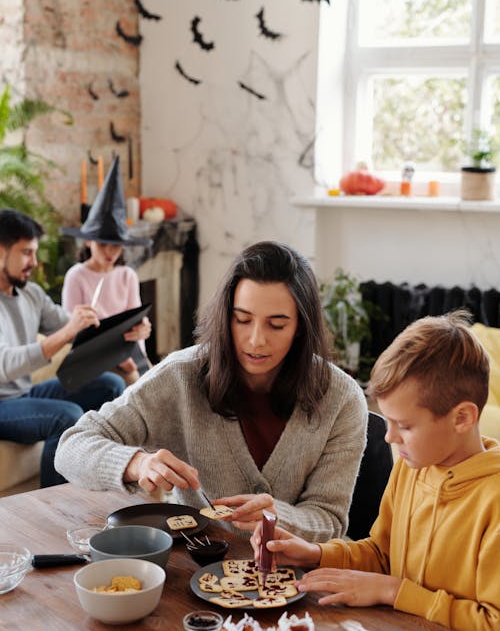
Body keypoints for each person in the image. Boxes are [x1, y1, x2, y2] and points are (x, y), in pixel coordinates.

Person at [55, 241, 368, 541]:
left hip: (294, 580)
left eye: (276, 325)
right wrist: (137, 463)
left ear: (300, 326)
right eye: (242, 320)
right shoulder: (180, 376)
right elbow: (71, 447)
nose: (256, 340)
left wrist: (276, 516)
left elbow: (329, 520)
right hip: (196, 568)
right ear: (225, 316)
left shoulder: (342, 398)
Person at [251, 311, 500, 631]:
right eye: (388, 420)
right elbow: (382, 554)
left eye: (405, 426)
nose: (389, 437)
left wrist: (394, 591)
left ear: (462, 418)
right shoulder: (413, 467)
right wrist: (313, 554)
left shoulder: (493, 502)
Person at [0, 208, 126, 488]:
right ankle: (53, 501)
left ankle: (104, 479)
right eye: (26, 252)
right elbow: (4, 365)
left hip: (23, 393)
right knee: (66, 416)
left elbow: (70, 326)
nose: (34, 261)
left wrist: (125, 332)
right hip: (2, 404)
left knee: (111, 385)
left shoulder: (30, 293)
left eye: (34, 252)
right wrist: (66, 332)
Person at [61, 156, 152, 383]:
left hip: (129, 354)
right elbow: (71, 332)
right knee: (130, 382)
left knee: (156, 382)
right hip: (92, 360)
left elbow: (135, 320)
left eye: (116, 246)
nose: (110, 253)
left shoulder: (127, 276)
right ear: (89, 242)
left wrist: (142, 331)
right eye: (103, 244)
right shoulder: (77, 276)